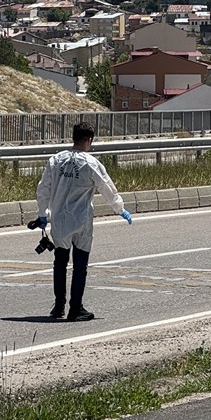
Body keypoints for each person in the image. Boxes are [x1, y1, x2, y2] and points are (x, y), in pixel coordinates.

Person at [36, 122, 133, 321]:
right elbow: (107, 188)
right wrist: (120, 209)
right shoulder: (90, 163)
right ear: (89, 140)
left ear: (74, 137)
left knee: (60, 262)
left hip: (60, 220)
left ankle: (59, 306)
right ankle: (76, 307)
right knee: (80, 265)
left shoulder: (56, 160)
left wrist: (42, 213)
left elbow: (43, 188)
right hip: (81, 220)